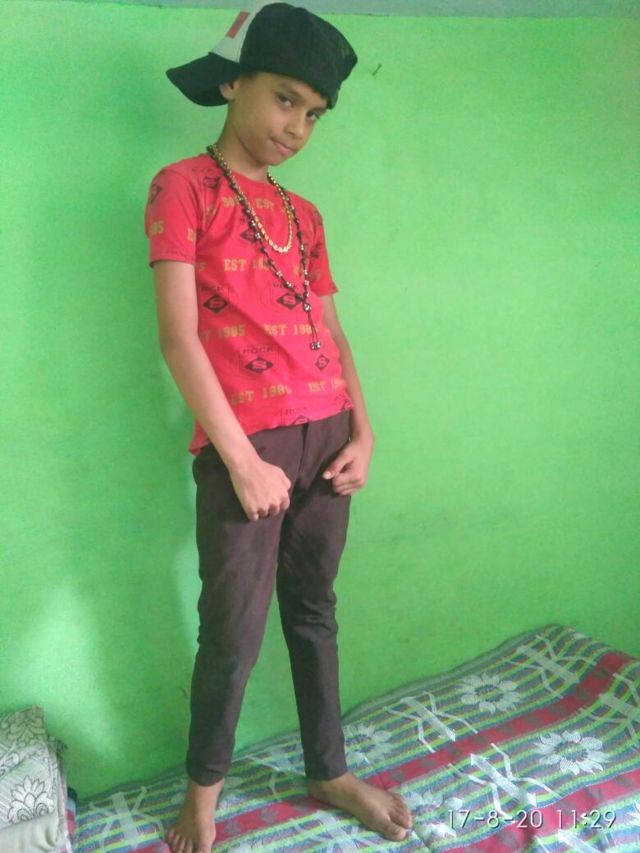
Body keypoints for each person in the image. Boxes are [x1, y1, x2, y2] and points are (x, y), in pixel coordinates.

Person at [144, 3, 412, 851]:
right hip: (247, 450)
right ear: (235, 83)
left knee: (314, 610)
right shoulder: (182, 187)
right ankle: (203, 795)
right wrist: (240, 460)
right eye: (285, 99)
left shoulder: (305, 216)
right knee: (232, 631)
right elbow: (179, 337)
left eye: (315, 113)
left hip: (327, 436)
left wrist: (364, 432)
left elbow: (331, 330)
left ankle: (328, 769)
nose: (296, 127)